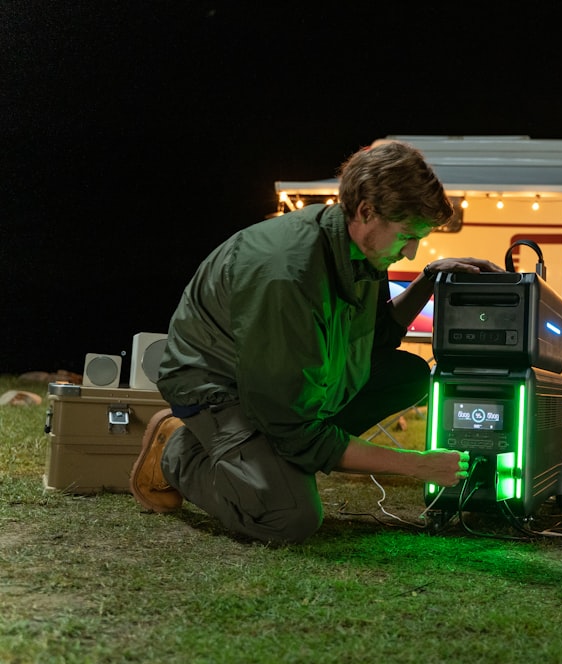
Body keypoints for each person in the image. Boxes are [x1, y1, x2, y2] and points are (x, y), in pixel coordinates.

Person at [129, 141, 504, 543]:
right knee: (290, 517)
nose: (411, 250)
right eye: (408, 236)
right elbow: (291, 426)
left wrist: (429, 278)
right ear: (365, 212)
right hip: (218, 386)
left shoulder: (358, 249)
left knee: (407, 375)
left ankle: (263, 463)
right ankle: (178, 452)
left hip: (275, 387)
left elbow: (376, 336)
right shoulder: (287, 278)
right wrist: (415, 465)